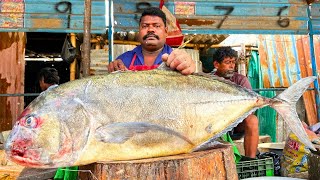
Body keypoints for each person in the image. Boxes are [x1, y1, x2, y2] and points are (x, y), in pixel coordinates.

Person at [107, 7, 195, 74]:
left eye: (156, 26)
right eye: (145, 26)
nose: (150, 30)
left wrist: (189, 66)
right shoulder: (124, 60)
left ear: (166, 31)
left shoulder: (176, 60)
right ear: (139, 31)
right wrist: (113, 70)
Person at [212, 46, 259, 158]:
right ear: (216, 65)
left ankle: (250, 161)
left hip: (237, 121)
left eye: (233, 62)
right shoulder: (209, 80)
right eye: (227, 62)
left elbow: (250, 105)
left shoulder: (241, 80)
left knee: (252, 120)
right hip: (215, 121)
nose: (232, 66)